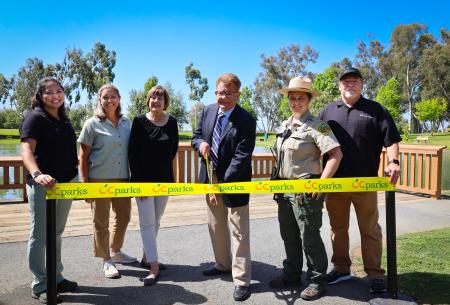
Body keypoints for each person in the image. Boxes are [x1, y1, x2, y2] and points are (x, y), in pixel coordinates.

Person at [319, 67, 401, 293]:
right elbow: (316, 141)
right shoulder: (327, 112)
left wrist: (393, 162)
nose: (350, 85)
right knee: (338, 228)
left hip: (365, 183)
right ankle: (341, 269)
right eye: (346, 82)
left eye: (355, 81)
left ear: (362, 85)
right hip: (335, 184)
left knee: (370, 229)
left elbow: (391, 140)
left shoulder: (375, 110)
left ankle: (374, 274)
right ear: (339, 86)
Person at [269, 77, 342, 300]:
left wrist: (322, 182)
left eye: (301, 97)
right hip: (284, 190)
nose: (296, 101)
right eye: (292, 97)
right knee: (288, 235)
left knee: (309, 236)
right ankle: (291, 274)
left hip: (306, 192)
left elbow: (336, 154)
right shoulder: (284, 124)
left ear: (309, 99)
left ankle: (316, 280)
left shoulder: (318, 125)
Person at [192, 73, 256, 302]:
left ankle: (241, 280)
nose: (224, 97)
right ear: (215, 93)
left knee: (239, 231)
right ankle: (222, 264)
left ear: (238, 94)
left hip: (235, 181)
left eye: (229, 93)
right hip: (210, 179)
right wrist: (201, 145)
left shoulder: (246, 120)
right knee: (216, 225)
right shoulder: (208, 111)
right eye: (220, 92)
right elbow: (196, 136)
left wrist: (221, 185)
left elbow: (242, 156)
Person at [20, 78, 78, 303]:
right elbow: (26, 150)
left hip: (66, 183)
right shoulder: (35, 118)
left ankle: (56, 277)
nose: (56, 95)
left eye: (59, 91)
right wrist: (37, 174)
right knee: (40, 235)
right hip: (44, 185)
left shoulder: (63, 118)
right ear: (40, 96)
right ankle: (40, 283)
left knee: (56, 231)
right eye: (49, 92)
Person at [78, 84, 137, 279]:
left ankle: (116, 250)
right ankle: (106, 259)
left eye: (113, 96)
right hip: (98, 180)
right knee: (100, 222)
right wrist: (85, 184)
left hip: (123, 179)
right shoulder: (92, 124)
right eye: (105, 97)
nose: (109, 100)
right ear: (100, 100)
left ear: (119, 99)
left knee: (124, 217)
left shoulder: (128, 123)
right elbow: (83, 157)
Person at [128, 85, 179, 286]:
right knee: (147, 223)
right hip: (143, 181)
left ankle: (145, 257)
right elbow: (133, 153)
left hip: (164, 179)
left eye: (160, 98)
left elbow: (173, 149)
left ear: (165, 102)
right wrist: (139, 183)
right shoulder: (139, 122)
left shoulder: (172, 122)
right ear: (148, 101)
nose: (156, 101)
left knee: (156, 220)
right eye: (152, 97)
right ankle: (154, 266)